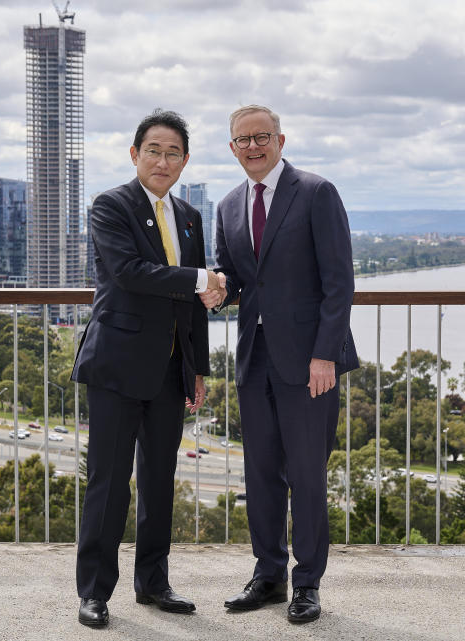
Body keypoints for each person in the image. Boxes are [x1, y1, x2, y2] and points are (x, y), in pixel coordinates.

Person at [71, 109, 225, 628]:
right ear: (135, 154)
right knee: (110, 484)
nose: (163, 160)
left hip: (170, 369)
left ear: (185, 160)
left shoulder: (189, 216)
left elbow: (194, 301)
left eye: (174, 152)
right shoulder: (110, 205)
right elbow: (131, 273)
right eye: (153, 150)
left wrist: (198, 368)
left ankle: (153, 583)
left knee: (160, 481)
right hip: (117, 367)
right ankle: (94, 592)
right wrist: (201, 275)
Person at [204, 104, 358, 624]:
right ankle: (267, 575)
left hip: (310, 363)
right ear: (232, 148)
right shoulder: (227, 206)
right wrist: (214, 289)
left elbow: (339, 284)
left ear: (281, 139)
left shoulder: (316, 192)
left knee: (307, 476)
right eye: (243, 139)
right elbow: (237, 280)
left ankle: (307, 583)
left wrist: (325, 355)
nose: (253, 146)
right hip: (255, 359)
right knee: (262, 473)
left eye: (262, 136)